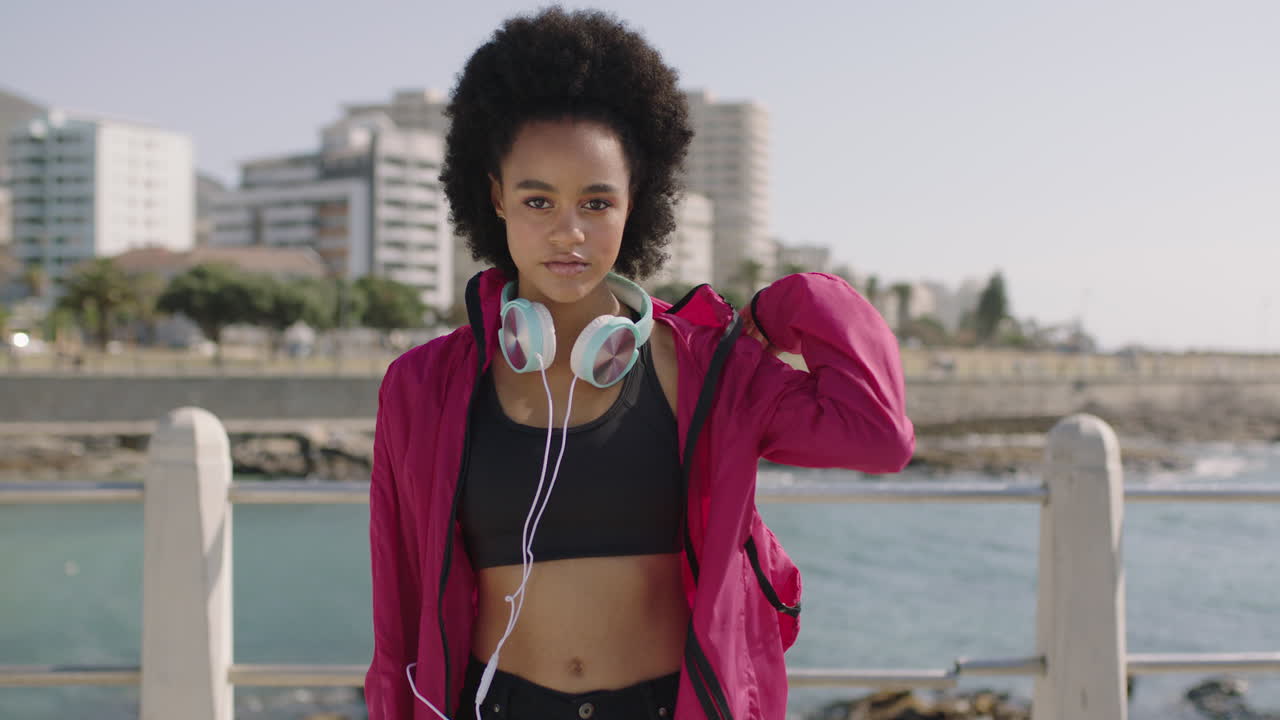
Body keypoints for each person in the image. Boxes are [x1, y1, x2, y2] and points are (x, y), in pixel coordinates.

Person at [364, 7, 914, 720]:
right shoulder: (421, 388)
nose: (570, 232)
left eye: (597, 202)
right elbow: (397, 607)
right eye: (539, 200)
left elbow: (878, 432)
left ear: (635, 203)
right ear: (496, 196)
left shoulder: (712, 370)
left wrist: (790, 305)